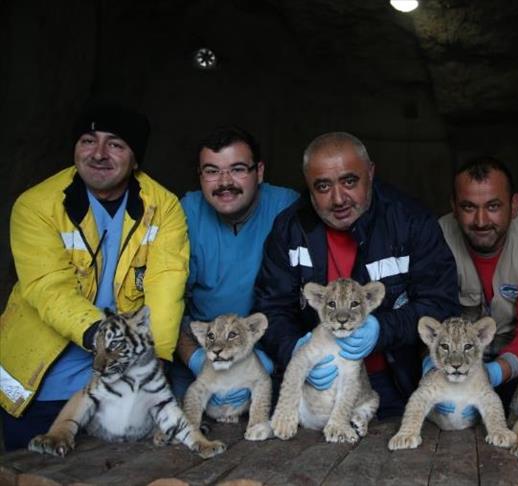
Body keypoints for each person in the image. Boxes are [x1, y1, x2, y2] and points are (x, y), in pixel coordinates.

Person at [0, 103, 189, 450]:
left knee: (119, 471)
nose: (98, 153)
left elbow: (166, 286)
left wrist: (157, 362)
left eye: (115, 144)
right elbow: (49, 289)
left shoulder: (163, 206)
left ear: (135, 159)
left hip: (120, 383)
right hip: (40, 382)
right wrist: (109, 338)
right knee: (29, 470)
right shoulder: (36, 205)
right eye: (88, 140)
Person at [253, 131, 461, 417]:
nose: (338, 198)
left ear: (371, 173)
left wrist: (382, 329)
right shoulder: (290, 229)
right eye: (323, 186)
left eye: (349, 181)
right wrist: (295, 350)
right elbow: (271, 308)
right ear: (309, 186)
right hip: (318, 384)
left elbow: (441, 303)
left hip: (394, 383)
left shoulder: (410, 221)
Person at [168, 126, 299, 407]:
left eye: (238, 169)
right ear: (200, 176)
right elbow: (166, 303)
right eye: (212, 171)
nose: (225, 182)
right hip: (203, 348)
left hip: (268, 352)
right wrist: (196, 359)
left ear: (259, 172)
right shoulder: (184, 212)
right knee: (176, 419)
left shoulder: (286, 207)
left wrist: (281, 354)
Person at [436, 156, 518, 412]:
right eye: (469, 207)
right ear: (454, 207)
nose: (481, 221)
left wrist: (494, 373)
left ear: (514, 205)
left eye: (493, 206)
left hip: (517, 355)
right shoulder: (436, 238)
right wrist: (433, 368)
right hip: (453, 359)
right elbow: (432, 317)